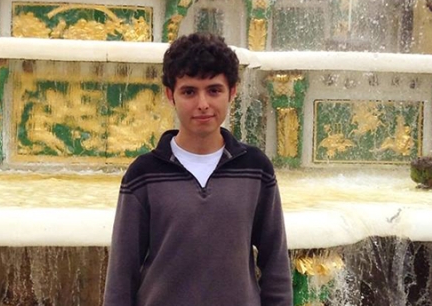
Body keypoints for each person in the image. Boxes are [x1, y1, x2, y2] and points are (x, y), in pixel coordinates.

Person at [103, 33, 293, 306]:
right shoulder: (143, 174)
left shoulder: (255, 169)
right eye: (189, 91)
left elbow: (275, 263)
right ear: (171, 95)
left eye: (214, 90)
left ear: (232, 92)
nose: (203, 104)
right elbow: (122, 275)